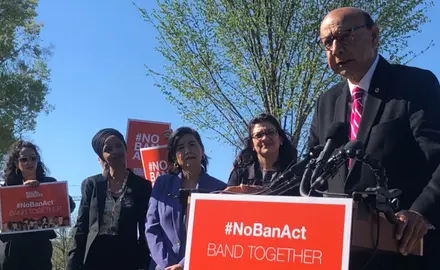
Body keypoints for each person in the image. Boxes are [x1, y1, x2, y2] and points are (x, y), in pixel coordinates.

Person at [309, 7, 440, 269]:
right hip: (338, 254)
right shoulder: (326, 102)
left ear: (375, 35)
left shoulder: (415, 85)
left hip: (403, 251)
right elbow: (311, 174)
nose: (335, 49)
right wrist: (265, 194)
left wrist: (420, 213)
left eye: (345, 37)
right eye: (327, 42)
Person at [67, 128, 152, 270]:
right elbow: (81, 227)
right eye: (108, 149)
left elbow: (145, 229)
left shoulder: (141, 186)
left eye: (119, 146)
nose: (115, 151)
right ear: (102, 155)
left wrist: (144, 263)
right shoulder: (91, 184)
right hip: (94, 259)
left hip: (128, 259)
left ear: (126, 149)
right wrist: (72, 263)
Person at [146, 127, 227, 270]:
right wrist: (168, 265)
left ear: (202, 151)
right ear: (175, 157)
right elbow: (151, 228)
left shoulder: (220, 189)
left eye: (192, 145)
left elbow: (216, 235)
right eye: (181, 148)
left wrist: (183, 265)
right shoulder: (162, 184)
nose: (187, 150)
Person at [0, 140, 76, 270]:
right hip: (12, 251)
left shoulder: (49, 183)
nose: (29, 162)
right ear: (17, 164)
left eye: (33, 158)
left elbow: (69, 206)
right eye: (24, 159)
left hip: (39, 249)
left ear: (38, 160)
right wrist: (21, 192)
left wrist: (43, 192)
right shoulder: (6, 187)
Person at [227, 113, 297, 194]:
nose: (265, 138)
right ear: (252, 144)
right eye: (259, 135)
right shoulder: (240, 175)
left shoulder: (295, 175)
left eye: (270, 132)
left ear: (280, 139)